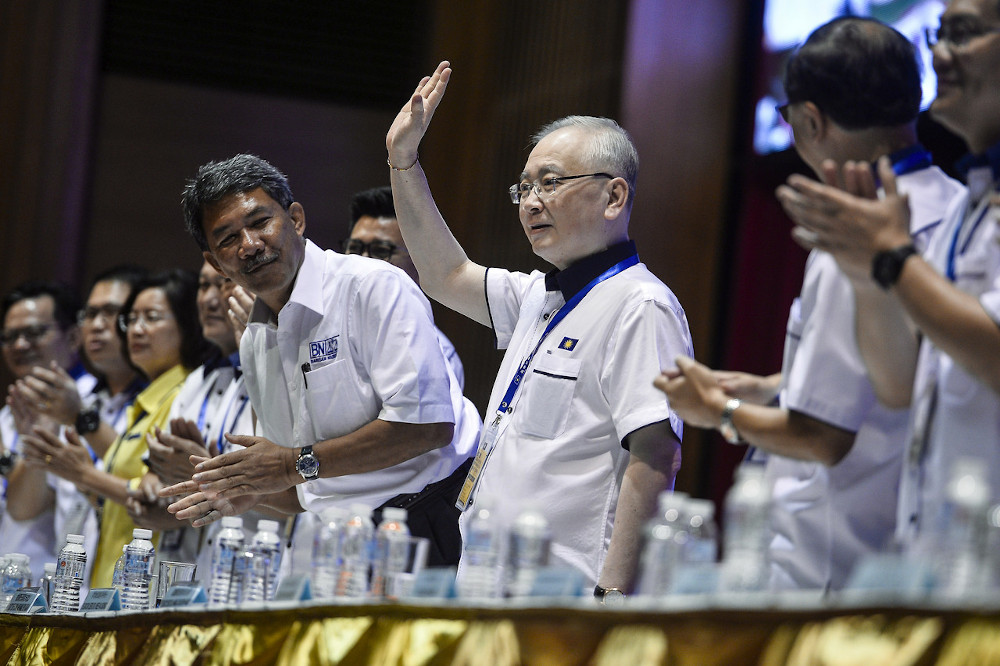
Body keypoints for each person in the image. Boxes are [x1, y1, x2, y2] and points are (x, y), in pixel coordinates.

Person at [654, 18, 966, 592]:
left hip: (819, 563)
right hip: (903, 546)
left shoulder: (852, 229)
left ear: (810, 120)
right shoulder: (961, 210)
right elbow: (904, 375)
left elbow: (823, 437)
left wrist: (716, 411)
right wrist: (777, 384)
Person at [385, 62, 692, 597]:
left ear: (614, 197)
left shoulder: (641, 305)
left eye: (550, 183)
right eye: (524, 187)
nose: (530, 202)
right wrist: (403, 161)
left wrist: (614, 597)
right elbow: (444, 275)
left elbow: (655, 454)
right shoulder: (538, 297)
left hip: (564, 600)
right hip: (483, 585)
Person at [163, 154, 478, 566]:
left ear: (295, 219)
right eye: (227, 239)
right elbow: (302, 486)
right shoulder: (254, 342)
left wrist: (292, 465)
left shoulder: (371, 286)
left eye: (260, 223)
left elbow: (428, 427)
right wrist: (247, 490)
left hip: (427, 524)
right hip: (337, 543)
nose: (250, 245)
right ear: (214, 263)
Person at [773, 0, 1000, 553]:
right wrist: (869, 275)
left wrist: (893, 258)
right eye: (938, 33)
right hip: (935, 556)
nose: (940, 53)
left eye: (963, 33)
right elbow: (898, 386)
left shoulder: (920, 218)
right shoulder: (967, 202)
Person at [25, 270, 207, 587]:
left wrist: (85, 474)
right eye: (131, 320)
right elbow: (129, 492)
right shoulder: (148, 401)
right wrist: (87, 484)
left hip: (148, 585)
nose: (135, 330)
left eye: (150, 318)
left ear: (186, 325)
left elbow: (159, 496)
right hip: (110, 580)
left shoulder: (185, 396)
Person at [9, 266, 147, 591]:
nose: (97, 326)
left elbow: (145, 487)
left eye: (112, 313)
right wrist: (34, 440)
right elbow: (24, 509)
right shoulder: (74, 398)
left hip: (125, 591)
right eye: (91, 313)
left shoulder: (159, 402)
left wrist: (80, 418)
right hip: (66, 592)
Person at [0, 280, 90, 579]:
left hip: (53, 589)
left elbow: (45, 501)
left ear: (74, 337)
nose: (20, 345)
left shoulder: (88, 408)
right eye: (10, 337)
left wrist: (10, 462)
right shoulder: (6, 414)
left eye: (35, 333)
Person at [346, 185, 466, 387]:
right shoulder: (316, 323)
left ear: (420, 262)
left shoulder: (437, 352)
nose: (363, 260)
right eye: (355, 248)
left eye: (380, 250)